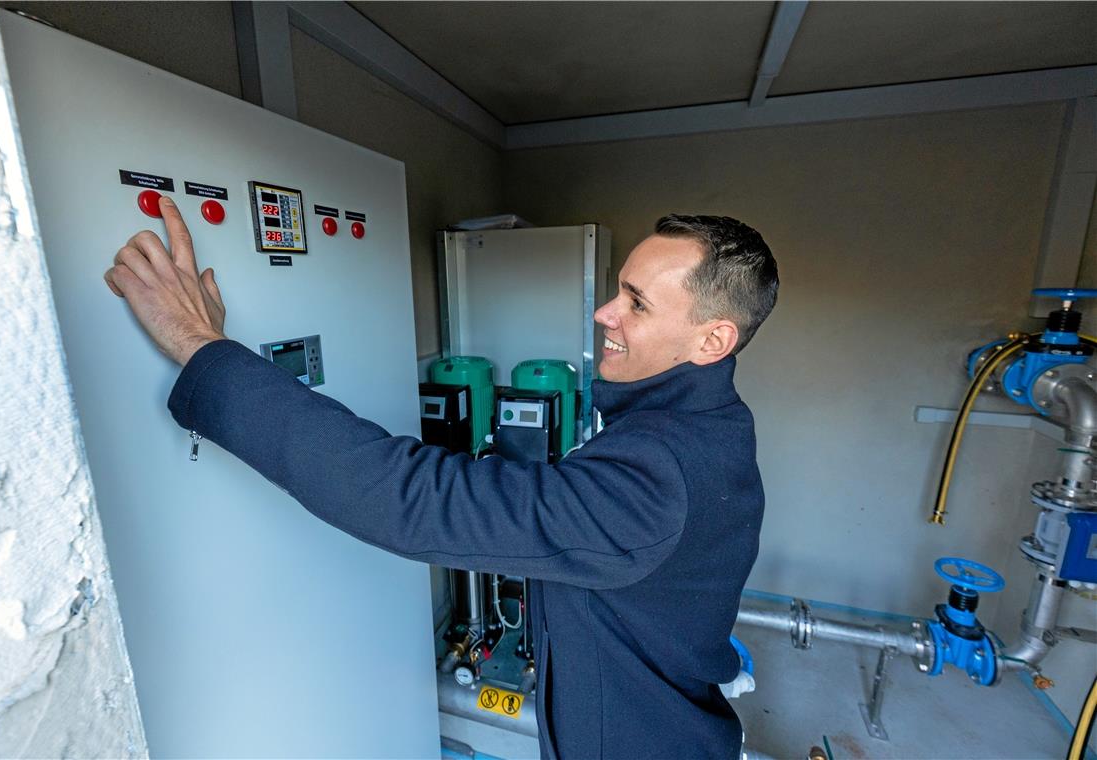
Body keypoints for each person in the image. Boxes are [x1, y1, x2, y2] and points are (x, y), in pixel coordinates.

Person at [105, 197, 779, 760]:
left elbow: (415, 499)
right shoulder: (713, 428)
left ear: (711, 341)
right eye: (617, 292)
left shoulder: (658, 476)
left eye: (635, 303)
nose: (605, 313)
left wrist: (206, 354)